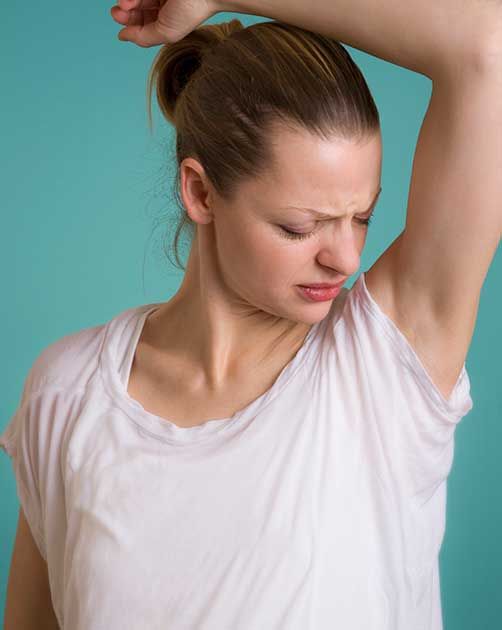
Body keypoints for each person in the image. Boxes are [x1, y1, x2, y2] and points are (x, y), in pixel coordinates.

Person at [2, 0, 500, 628]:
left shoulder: (385, 365)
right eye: (301, 226)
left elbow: (490, 43)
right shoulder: (67, 396)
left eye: (362, 217)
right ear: (202, 192)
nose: (344, 257)